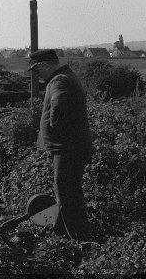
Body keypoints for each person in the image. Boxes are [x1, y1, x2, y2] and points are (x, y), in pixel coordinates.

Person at [27, 49, 93, 241]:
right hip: (72, 146)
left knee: (66, 193)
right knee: (70, 191)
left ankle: (71, 237)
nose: (37, 75)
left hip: (68, 148)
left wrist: (55, 129)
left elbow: (60, 103)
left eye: (37, 71)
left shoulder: (59, 81)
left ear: (45, 65)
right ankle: (75, 233)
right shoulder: (65, 77)